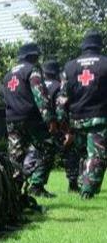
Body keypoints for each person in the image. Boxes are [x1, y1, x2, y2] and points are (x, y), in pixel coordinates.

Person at [0, 43, 58, 198]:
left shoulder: (7, 75)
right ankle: (37, 186)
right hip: (30, 119)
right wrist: (50, 119)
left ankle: (13, 192)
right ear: (32, 56)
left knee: (15, 156)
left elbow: (4, 97)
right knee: (48, 147)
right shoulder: (32, 70)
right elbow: (40, 95)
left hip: (12, 119)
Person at [58, 31, 106, 199]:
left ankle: (80, 185)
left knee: (81, 156)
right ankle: (87, 192)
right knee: (96, 156)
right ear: (99, 45)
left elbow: (62, 97)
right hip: (99, 118)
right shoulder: (105, 63)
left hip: (76, 119)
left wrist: (62, 121)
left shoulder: (69, 66)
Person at [40, 60, 80, 192]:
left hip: (40, 127)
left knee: (44, 157)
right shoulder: (59, 86)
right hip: (57, 127)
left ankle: (37, 185)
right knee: (70, 154)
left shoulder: (38, 85)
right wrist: (67, 130)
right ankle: (73, 184)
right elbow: (61, 109)